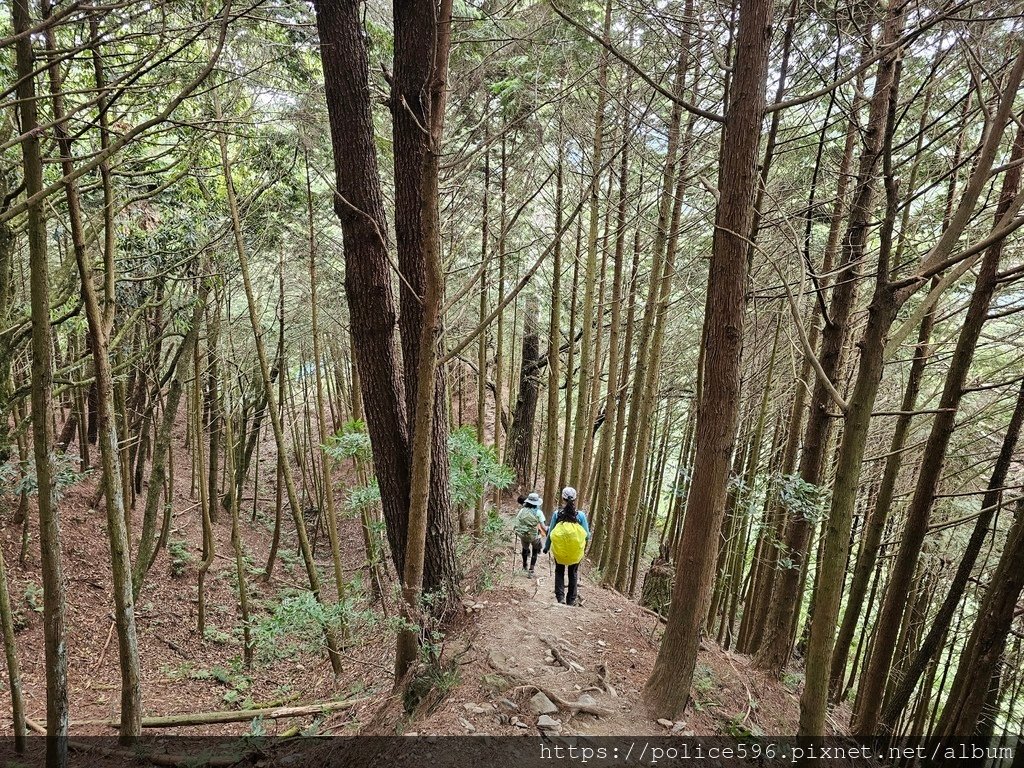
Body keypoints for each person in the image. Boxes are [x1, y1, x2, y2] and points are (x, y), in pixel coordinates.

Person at [543, 487, 590, 606]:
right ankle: (571, 600)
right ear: (575, 499)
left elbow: (551, 533)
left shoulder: (557, 514)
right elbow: (587, 535)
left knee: (559, 571)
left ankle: (560, 598)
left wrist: (547, 547)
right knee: (573, 573)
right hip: (575, 551)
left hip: (560, 550)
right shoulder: (581, 516)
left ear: (562, 498)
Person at [513, 492, 547, 577]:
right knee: (535, 551)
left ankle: (524, 565)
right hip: (534, 535)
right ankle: (531, 570)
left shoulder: (522, 510)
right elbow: (543, 526)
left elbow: (517, 521)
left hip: (523, 534)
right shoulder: (539, 512)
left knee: (525, 549)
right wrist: (548, 529)